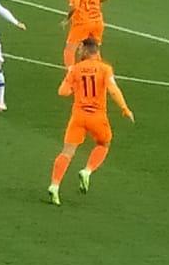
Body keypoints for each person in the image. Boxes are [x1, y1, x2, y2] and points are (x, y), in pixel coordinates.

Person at [48, 39, 133, 205]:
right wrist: (125, 108)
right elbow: (113, 90)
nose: (79, 52)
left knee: (67, 152)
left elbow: (62, 92)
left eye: (80, 49)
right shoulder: (105, 69)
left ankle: (54, 185)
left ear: (86, 51)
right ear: (96, 51)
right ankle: (87, 170)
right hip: (98, 117)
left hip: (78, 117)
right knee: (104, 143)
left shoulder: (75, 69)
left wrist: (73, 87)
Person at [63, 0, 110, 67]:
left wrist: (67, 20)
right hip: (97, 22)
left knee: (69, 49)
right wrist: (94, 2)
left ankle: (71, 75)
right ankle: (98, 72)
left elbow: (75, 6)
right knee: (94, 49)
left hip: (82, 22)